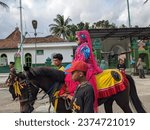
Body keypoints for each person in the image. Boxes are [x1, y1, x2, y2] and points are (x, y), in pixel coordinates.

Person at [64, 30, 103, 112]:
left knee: (73, 77)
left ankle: (78, 97)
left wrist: (74, 65)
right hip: (78, 65)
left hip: (85, 66)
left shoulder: (85, 47)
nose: (75, 39)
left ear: (82, 38)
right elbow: (76, 59)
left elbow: (82, 60)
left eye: (77, 37)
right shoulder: (79, 47)